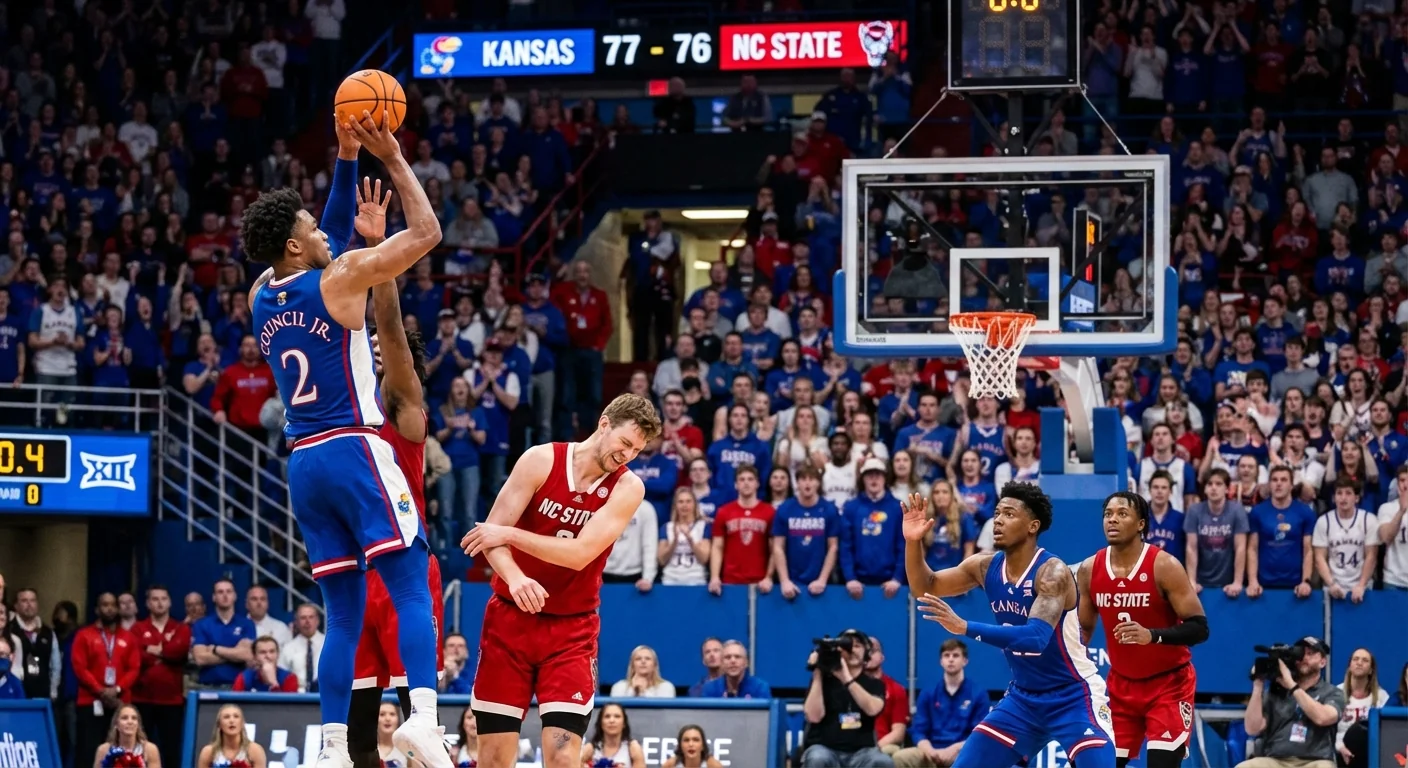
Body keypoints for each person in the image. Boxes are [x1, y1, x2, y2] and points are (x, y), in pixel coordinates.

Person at [244, 108, 447, 767]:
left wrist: (344, 155)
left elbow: (324, 236)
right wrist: (389, 156)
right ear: (295, 247)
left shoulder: (260, 294)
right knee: (411, 582)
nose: (322, 232)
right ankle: (423, 718)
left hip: (303, 465)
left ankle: (332, 746)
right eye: (309, 228)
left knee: (342, 615)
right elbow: (428, 231)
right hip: (355, 447)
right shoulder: (341, 278)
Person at [458, 394, 660, 768]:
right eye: (625, 443)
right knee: (493, 759)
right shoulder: (540, 460)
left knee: (564, 758)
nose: (628, 455)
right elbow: (489, 538)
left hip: (571, 629)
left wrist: (511, 535)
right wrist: (515, 578)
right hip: (510, 620)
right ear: (604, 424)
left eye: (637, 450)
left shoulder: (628, 487)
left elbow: (579, 553)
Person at [340, 178, 445, 768]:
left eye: (384, 351)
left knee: (417, 730)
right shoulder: (344, 410)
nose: (376, 353)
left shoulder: (405, 409)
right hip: (358, 572)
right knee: (358, 740)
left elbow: (389, 331)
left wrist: (379, 256)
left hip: (404, 569)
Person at [901, 484, 1117, 768]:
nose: (998, 520)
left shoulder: (1052, 572)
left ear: (1032, 526)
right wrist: (913, 542)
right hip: (1023, 698)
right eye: (997, 513)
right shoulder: (983, 566)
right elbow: (924, 586)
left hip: (1073, 695)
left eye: (1009, 514)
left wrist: (964, 626)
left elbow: (1036, 637)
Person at [1077, 492, 1210, 768]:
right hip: (1121, 686)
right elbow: (1082, 633)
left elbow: (1200, 628)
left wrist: (1152, 635)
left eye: (1122, 513)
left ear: (1141, 524)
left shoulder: (1164, 565)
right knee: (1099, 763)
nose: (1112, 519)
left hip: (1169, 685)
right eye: (1108, 514)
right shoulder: (1090, 569)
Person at [1235, 637, 1343, 768]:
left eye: (1310, 654)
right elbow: (1252, 729)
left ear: (1323, 662)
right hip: (1276, 760)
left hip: (1314, 761)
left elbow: (1323, 718)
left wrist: (1292, 686)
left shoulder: (1333, 692)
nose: (1304, 658)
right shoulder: (1276, 691)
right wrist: (1258, 685)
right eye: (1300, 653)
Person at [798, 629, 891, 767]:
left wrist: (846, 678)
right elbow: (813, 717)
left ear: (866, 653)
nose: (852, 649)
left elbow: (873, 709)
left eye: (857, 646)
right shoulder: (823, 681)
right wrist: (818, 672)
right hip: (826, 750)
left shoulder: (875, 684)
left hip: (862, 753)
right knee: (817, 758)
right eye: (847, 645)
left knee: (883, 761)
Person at [890, 640, 988, 768]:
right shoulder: (928, 692)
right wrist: (931, 751)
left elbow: (979, 734)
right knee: (900, 757)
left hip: (962, 752)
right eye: (946, 655)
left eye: (955, 655)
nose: (951, 659)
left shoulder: (978, 694)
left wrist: (954, 750)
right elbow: (918, 731)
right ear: (941, 661)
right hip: (931, 752)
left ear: (965, 661)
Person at [73, 593, 141, 765]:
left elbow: (134, 668)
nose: (109, 609)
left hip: (120, 702)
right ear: (97, 609)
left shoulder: (128, 637)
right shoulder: (84, 635)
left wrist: (117, 689)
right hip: (90, 701)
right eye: (105, 605)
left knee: (120, 750)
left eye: (113, 605)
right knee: (88, 750)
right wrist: (100, 691)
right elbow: (80, 667)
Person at [197, 703, 269, 768]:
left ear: (242, 723)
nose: (231, 721)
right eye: (226, 717)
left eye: (236, 716)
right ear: (219, 725)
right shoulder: (208, 752)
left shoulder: (255, 751)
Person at [93, 704, 163, 768]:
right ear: (116, 724)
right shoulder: (103, 750)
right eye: (124, 718)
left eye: (134, 718)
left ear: (138, 725)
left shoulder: (150, 749)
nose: (130, 722)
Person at [580, 703, 646, 768]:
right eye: (607, 716)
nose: (612, 720)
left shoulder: (633, 747)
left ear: (624, 723)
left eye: (617, 716)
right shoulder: (591, 748)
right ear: (600, 723)